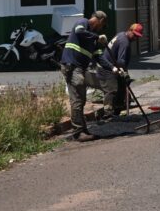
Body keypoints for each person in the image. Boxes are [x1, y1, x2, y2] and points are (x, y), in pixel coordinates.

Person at [59, 11, 112, 142]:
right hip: (72, 66)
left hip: (79, 68)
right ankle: (78, 132)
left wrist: (114, 69)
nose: (101, 29)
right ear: (99, 20)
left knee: (81, 99)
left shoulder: (91, 40)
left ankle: (82, 130)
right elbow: (79, 32)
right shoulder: (83, 23)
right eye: (102, 25)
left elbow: (99, 57)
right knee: (77, 98)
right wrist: (96, 37)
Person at [94, 22, 144, 118]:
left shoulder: (121, 34)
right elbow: (121, 62)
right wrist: (125, 74)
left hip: (112, 68)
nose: (135, 38)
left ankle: (117, 112)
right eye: (134, 35)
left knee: (121, 89)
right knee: (112, 90)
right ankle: (107, 114)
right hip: (107, 69)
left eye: (137, 36)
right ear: (130, 30)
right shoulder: (124, 42)